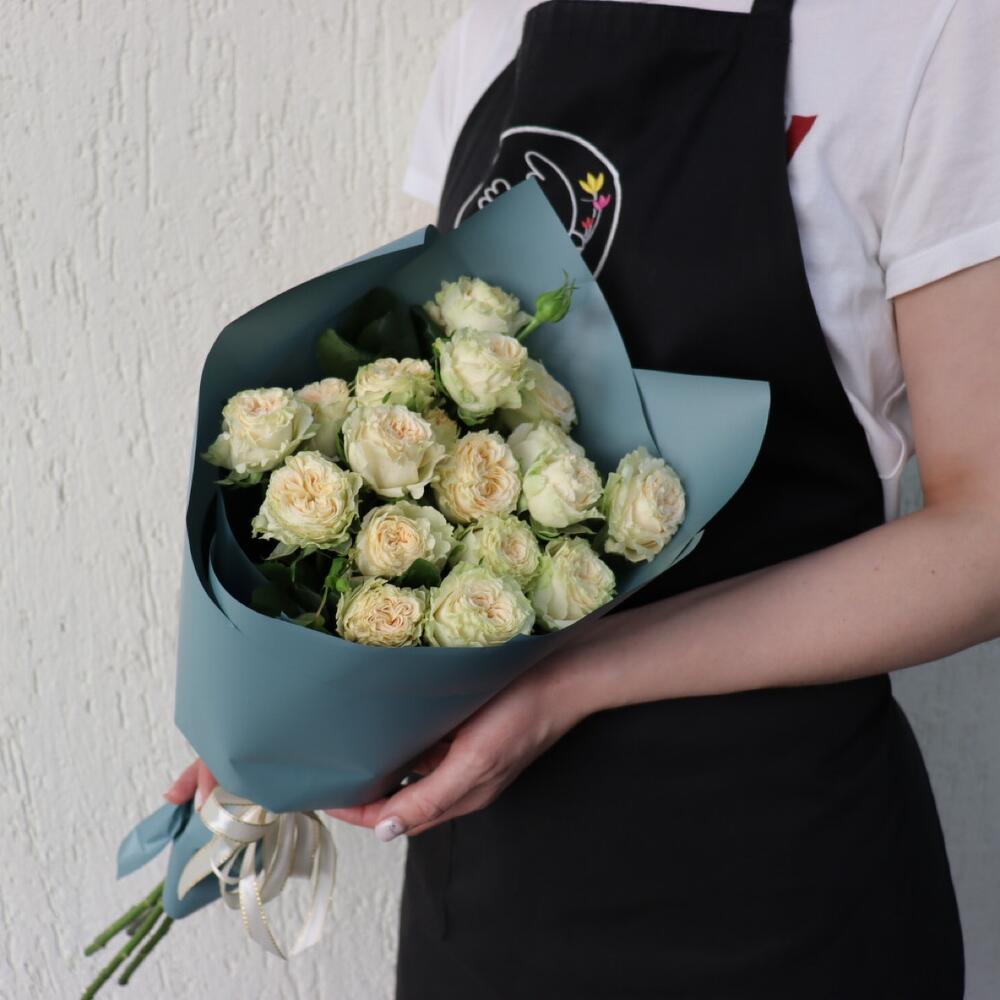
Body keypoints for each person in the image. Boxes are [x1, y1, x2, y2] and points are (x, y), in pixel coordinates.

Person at [168, 1, 1000, 996]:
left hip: (776, 885)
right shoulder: (493, 31)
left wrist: (571, 679)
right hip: (487, 897)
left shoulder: (930, 32)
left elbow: (984, 535)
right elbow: (417, 391)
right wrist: (295, 698)